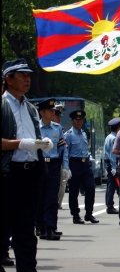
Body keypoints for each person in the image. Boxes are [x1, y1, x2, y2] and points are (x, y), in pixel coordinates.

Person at [2, 58, 54, 271]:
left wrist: (42, 144)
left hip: (30, 175)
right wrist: (21, 144)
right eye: (22, 75)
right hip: (7, 174)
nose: (27, 79)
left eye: (28, 75)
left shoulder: (31, 108)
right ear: (8, 79)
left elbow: (35, 139)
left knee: (26, 231)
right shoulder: (3, 105)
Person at [35, 98, 69, 241]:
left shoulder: (57, 128)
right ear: (42, 112)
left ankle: (51, 228)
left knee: (52, 198)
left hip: (54, 165)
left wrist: (65, 167)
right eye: (49, 110)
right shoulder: (36, 127)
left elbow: (62, 149)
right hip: (40, 165)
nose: (52, 112)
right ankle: (40, 226)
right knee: (39, 198)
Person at [65, 109, 99, 224]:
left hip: (85, 164)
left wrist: (89, 157)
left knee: (90, 187)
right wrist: (67, 167)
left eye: (81, 120)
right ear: (72, 121)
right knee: (74, 191)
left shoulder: (84, 134)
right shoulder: (68, 135)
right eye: (77, 120)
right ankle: (75, 214)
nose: (79, 122)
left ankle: (89, 213)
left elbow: (85, 149)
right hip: (74, 164)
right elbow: (66, 152)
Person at [104, 117, 120, 215]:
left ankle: (109, 204)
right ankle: (110, 205)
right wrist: (114, 167)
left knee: (110, 184)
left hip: (109, 162)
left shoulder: (108, 137)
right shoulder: (114, 138)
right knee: (113, 184)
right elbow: (113, 154)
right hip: (113, 162)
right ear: (118, 127)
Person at [54, 103, 69, 210]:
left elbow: (63, 149)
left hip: (57, 162)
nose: (59, 119)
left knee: (61, 184)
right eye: (57, 116)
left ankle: (57, 202)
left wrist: (65, 166)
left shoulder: (59, 129)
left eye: (59, 117)